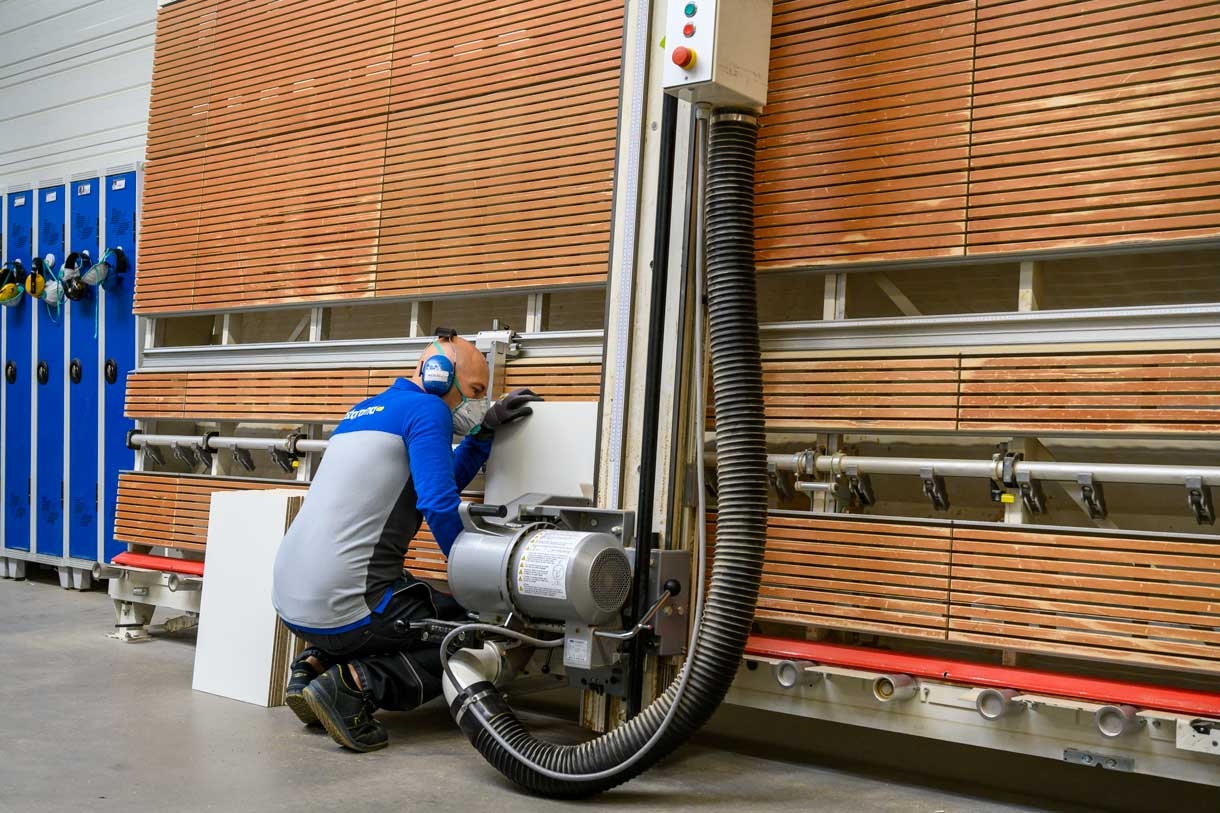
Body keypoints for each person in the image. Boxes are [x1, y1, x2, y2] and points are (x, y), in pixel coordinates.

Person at [270, 328, 541, 752]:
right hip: (347, 608)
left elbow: (436, 479)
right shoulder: (427, 409)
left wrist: (483, 432)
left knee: (417, 603)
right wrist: (475, 580)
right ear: (437, 374)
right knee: (465, 630)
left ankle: (311, 667)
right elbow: (437, 502)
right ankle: (352, 686)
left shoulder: (363, 411)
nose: (474, 403)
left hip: (290, 602)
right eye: (473, 391)